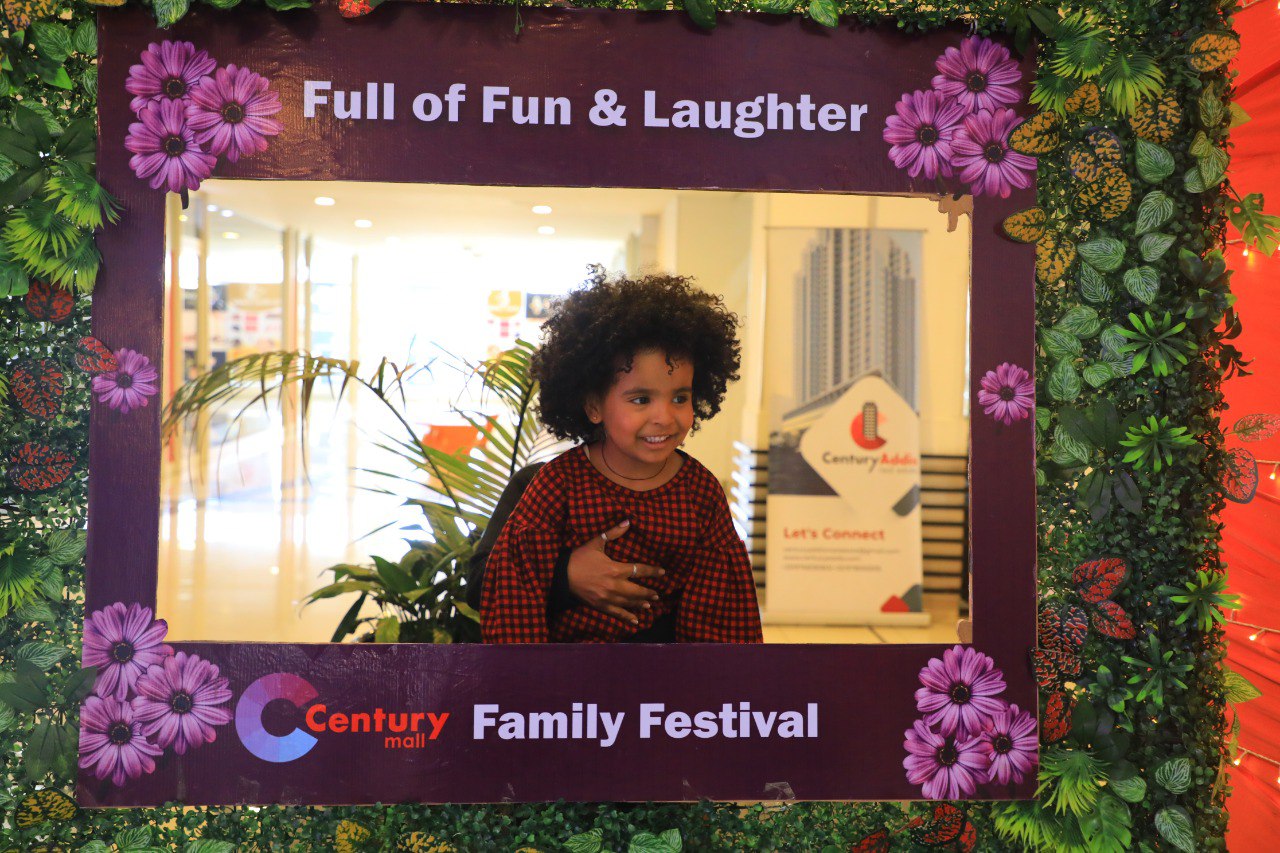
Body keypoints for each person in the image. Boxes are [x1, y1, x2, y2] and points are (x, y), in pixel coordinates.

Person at [480, 271, 764, 644]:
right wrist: (528, 673)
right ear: (594, 406)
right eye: (641, 399)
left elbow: (721, 615)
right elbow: (512, 593)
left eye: (680, 397)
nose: (664, 416)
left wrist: (706, 677)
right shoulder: (556, 484)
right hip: (565, 673)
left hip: (666, 674)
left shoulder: (700, 493)